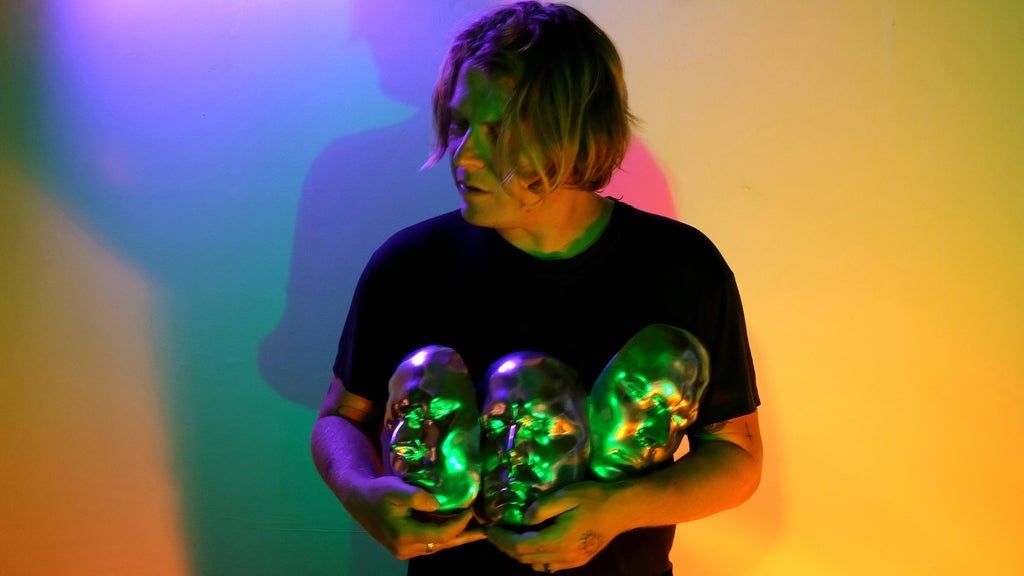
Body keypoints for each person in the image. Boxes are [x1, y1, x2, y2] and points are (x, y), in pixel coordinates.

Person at [311, 2, 762, 575]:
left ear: (575, 134)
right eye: (460, 123)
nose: (464, 155)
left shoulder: (682, 266)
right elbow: (340, 417)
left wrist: (616, 509)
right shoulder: (407, 266)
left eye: (498, 131)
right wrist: (360, 492)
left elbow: (736, 455)